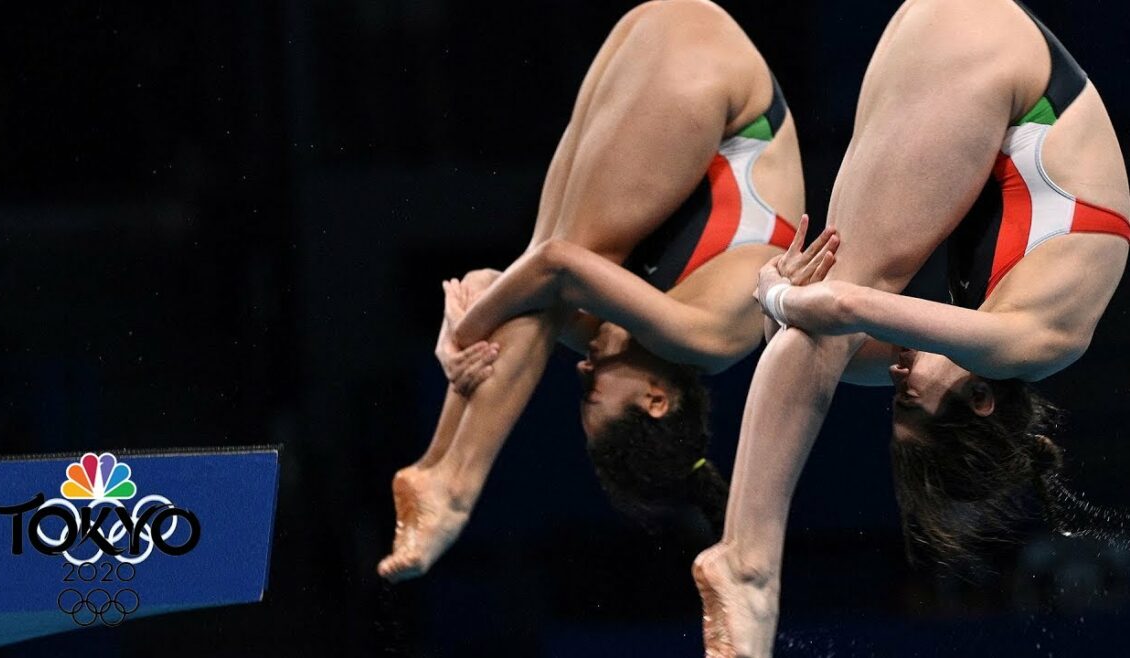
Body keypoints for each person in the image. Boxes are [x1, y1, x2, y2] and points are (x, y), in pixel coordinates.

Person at [691, 0, 1130, 656]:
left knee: (824, 330)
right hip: (995, 59)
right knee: (839, 310)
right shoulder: (1034, 340)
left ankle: (746, 558)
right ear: (980, 399)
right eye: (909, 396)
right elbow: (836, 311)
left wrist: (782, 302)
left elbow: (818, 333)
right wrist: (777, 294)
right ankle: (749, 562)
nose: (897, 375)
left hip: (968, 44)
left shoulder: (977, 341)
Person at [377, 0, 813, 583]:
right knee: (568, 261)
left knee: (548, 264)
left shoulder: (627, 328)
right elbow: (555, 268)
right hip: (725, 86)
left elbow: (504, 285)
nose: (581, 373)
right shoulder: (708, 337)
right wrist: (472, 327)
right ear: (658, 399)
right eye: (593, 397)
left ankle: (436, 461)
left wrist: (461, 328)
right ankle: (455, 482)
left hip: (652, 37)